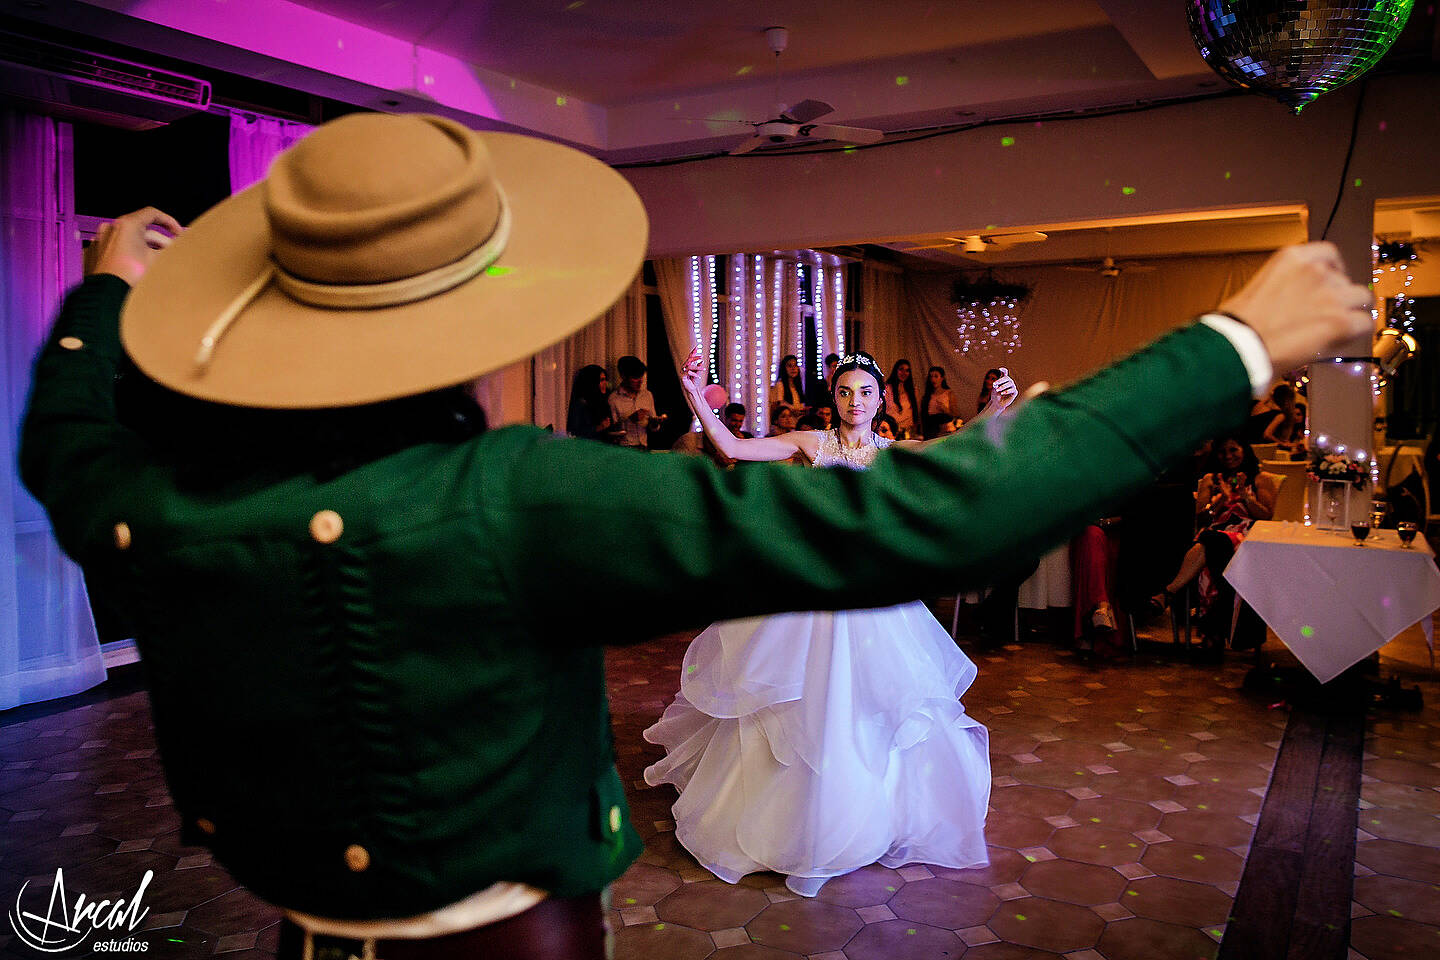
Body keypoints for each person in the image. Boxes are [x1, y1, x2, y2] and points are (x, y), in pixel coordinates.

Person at [20, 112, 1375, 959]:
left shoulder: (161, 508)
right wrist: (1235, 342)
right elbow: (940, 514)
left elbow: (67, 455)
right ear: (472, 329)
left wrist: (96, 305)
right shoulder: (520, 496)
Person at [644, 349, 1017, 897]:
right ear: (833, 398)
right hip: (812, 592)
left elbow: (953, 452)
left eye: (865, 392)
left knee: (869, 707)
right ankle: (791, 820)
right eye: (845, 392)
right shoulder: (811, 443)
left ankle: (863, 817)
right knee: (800, 707)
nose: (854, 402)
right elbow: (731, 447)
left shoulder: (893, 452)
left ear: (880, 399)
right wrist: (696, 394)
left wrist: (992, 410)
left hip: (873, 599)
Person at [1155, 433, 1278, 658]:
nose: (1228, 456)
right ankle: (1215, 631)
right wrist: (1221, 498)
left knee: (1209, 543)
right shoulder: (1210, 480)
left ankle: (1170, 592)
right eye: (1223, 452)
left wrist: (1243, 497)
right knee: (1212, 541)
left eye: (1234, 450)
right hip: (1215, 535)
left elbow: (1266, 516)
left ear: (1244, 450)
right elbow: (1201, 517)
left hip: (1247, 538)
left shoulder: (1260, 479)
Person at [609, 354, 664, 449]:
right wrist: (629, 420)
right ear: (623, 376)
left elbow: (654, 428)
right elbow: (611, 431)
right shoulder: (614, 399)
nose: (640, 381)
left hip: (643, 448)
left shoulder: (647, 395)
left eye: (641, 376)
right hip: (624, 449)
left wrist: (654, 423)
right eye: (635, 378)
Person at [565, 364, 613, 441]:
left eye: (605, 380)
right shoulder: (581, 404)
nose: (605, 383)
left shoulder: (602, 401)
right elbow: (575, 432)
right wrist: (598, 427)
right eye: (601, 380)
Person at [920, 365, 957, 439]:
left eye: (936, 376)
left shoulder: (948, 393)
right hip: (931, 429)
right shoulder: (927, 395)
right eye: (931, 376)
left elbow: (955, 414)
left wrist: (945, 409)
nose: (933, 379)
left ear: (942, 378)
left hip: (945, 428)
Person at [885, 359, 918, 439]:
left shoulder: (912, 390)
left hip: (908, 433)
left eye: (907, 370)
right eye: (901, 369)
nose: (904, 373)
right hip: (892, 432)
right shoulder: (887, 389)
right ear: (895, 370)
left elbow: (915, 412)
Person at [769, 354, 808, 422]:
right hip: (786, 424)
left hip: (798, 423)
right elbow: (776, 407)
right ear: (784, 368)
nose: (793, 368)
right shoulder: (780, 385)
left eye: (795, 365)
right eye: (789, 366)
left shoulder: (798, 386)